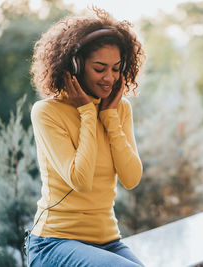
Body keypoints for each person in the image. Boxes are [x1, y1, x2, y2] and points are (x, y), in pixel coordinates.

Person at [27, 7, 145, 267]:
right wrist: (88, 114)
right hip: (54, 243)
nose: (110, 78)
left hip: (108, 240)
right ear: (75, 67)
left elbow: (131, 178)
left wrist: (110, 117)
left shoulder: (119, 109)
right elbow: (80, 180)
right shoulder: (47, 112)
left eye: (116, 68)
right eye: (100, 68)